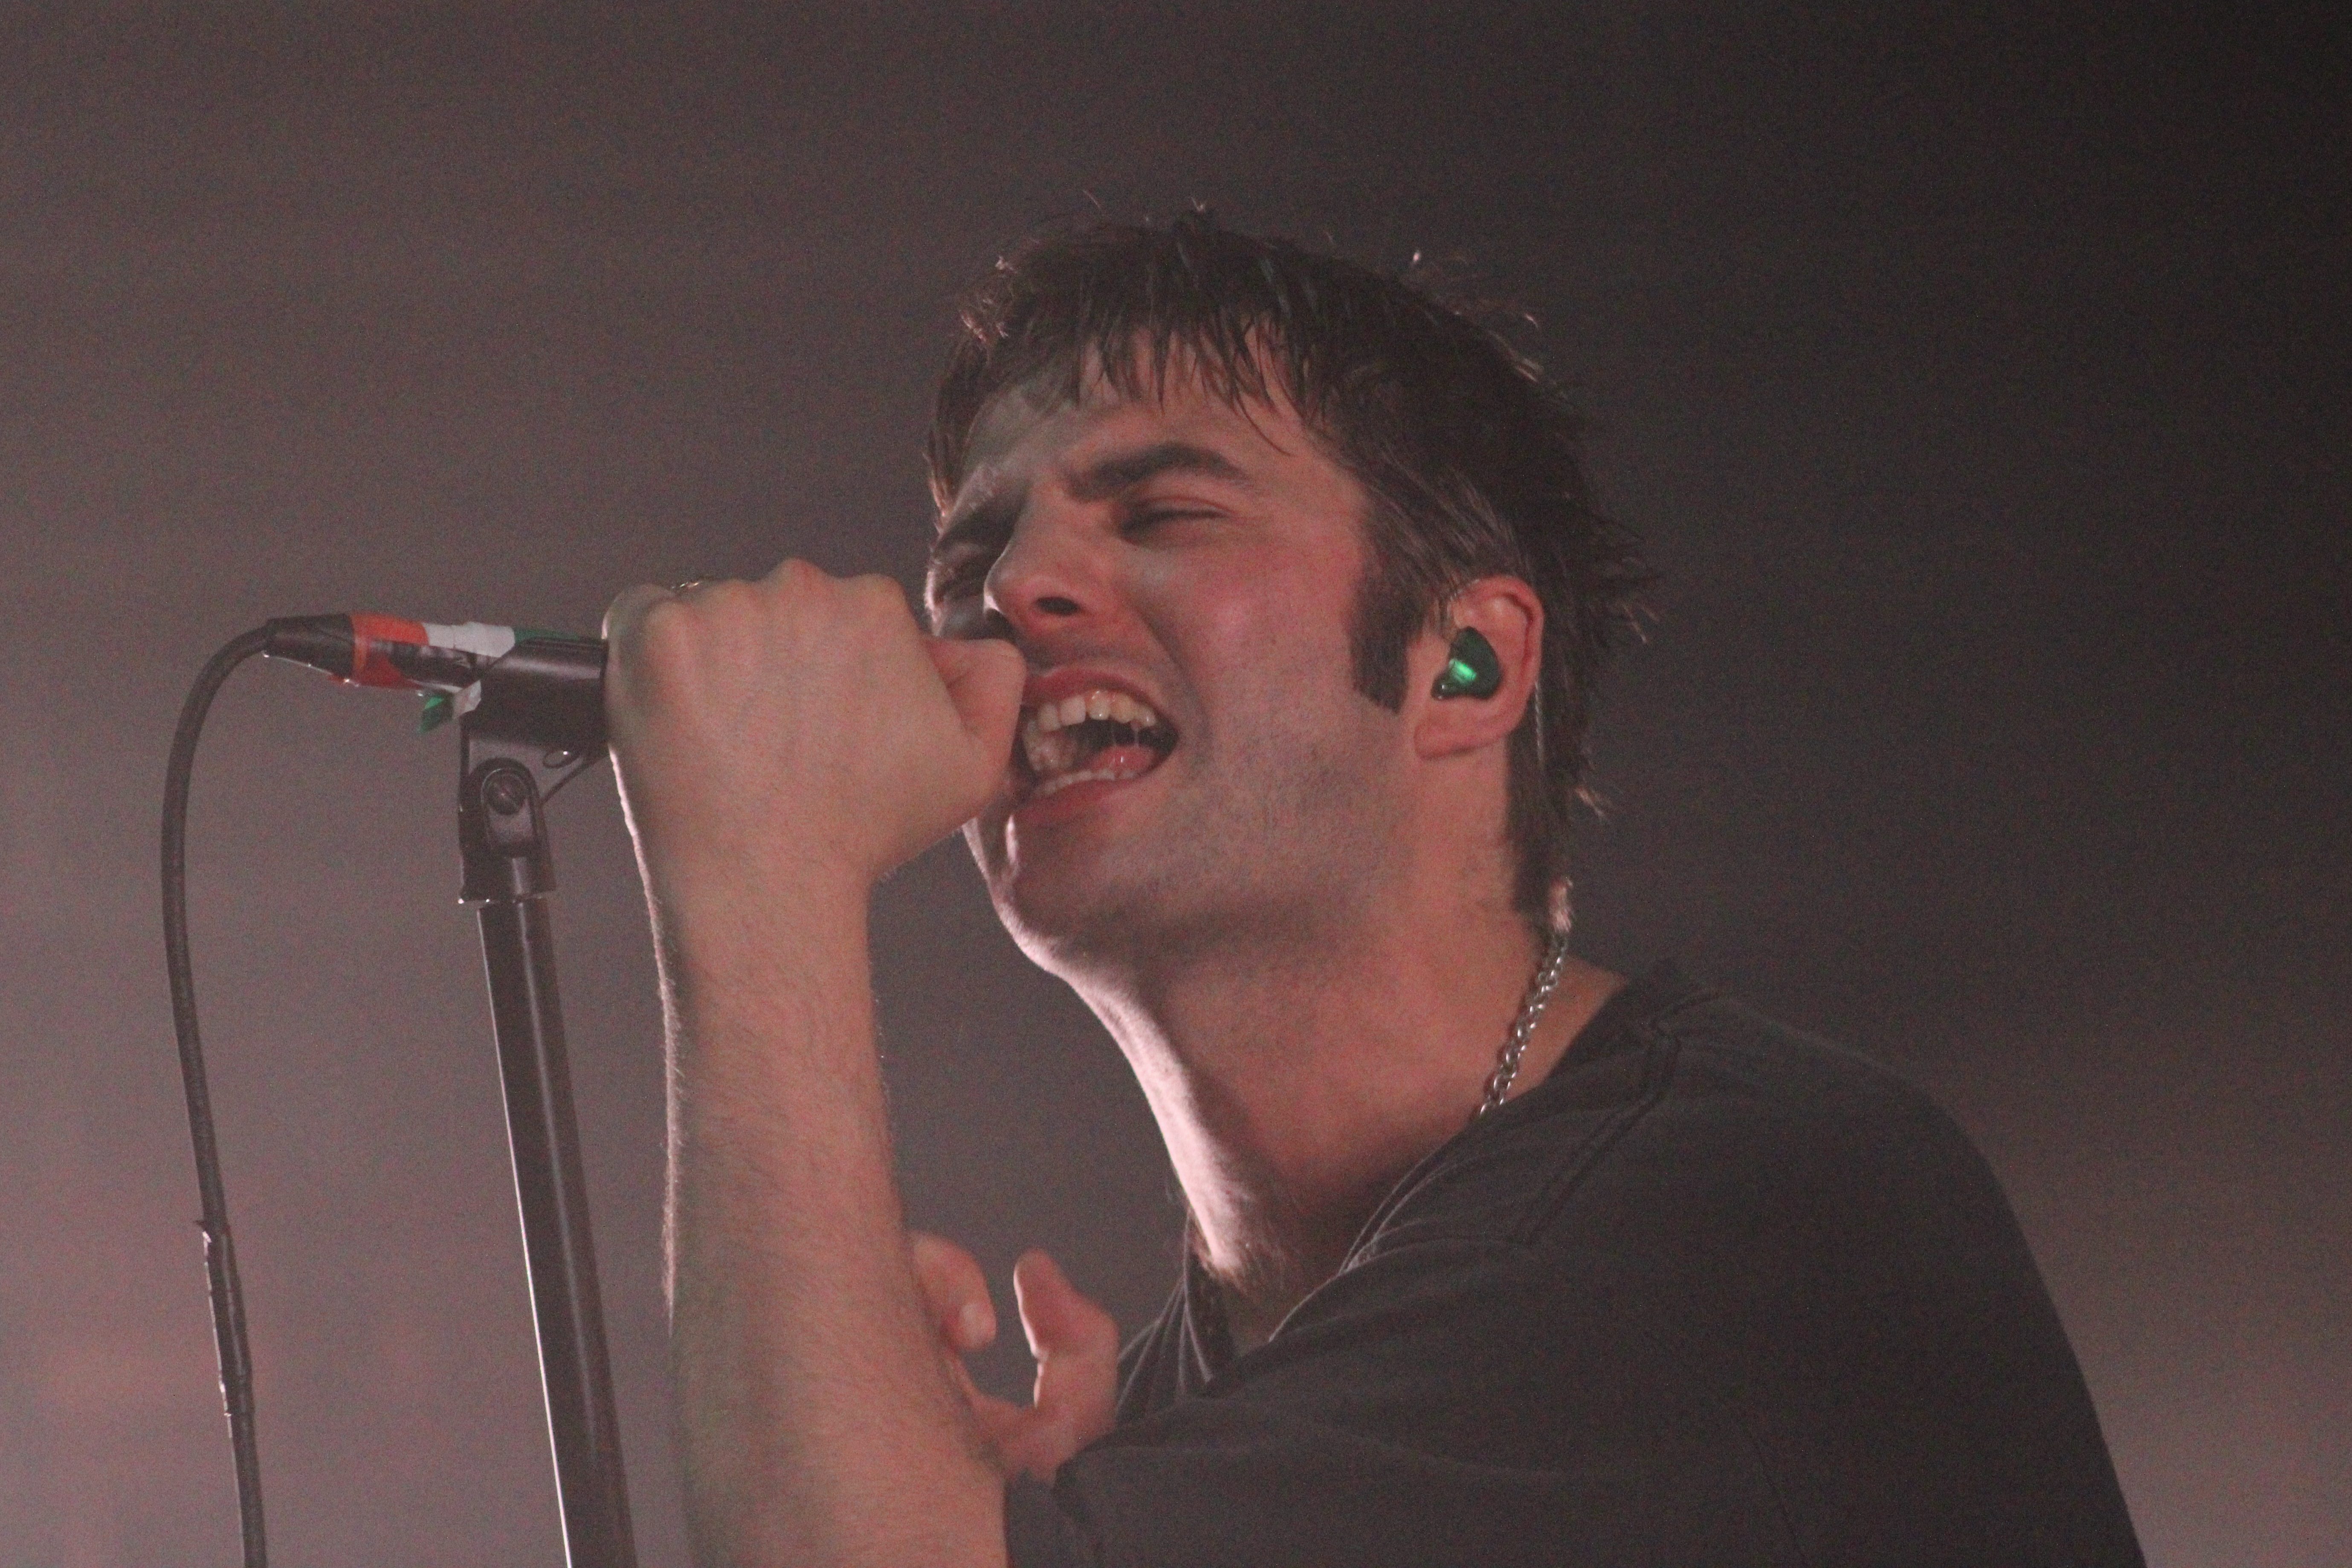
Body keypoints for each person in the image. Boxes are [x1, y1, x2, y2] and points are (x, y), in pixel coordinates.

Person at [602, 214, 2143, 1567]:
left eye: (1162, 512)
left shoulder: (1749, 1211)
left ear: (1463, 664)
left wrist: (765, 878)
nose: (1013, 591)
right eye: (973, 562)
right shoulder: (1196, 1408)